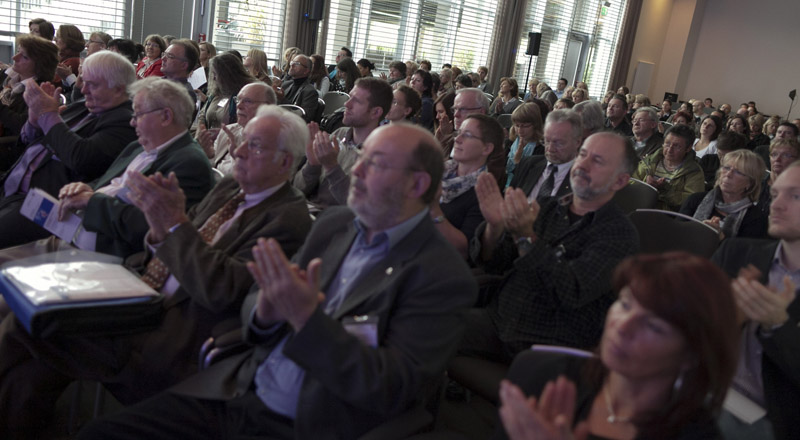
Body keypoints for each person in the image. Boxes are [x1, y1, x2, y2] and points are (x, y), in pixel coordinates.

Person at [77, 123, 478, 440]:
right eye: (362, 158)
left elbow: (389, 386)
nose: (355, 170)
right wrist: (266, 311)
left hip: (308, 422)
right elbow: (256, 303)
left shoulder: (441, 276)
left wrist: (306, 318)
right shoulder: (336, 226)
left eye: (375, 164)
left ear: (417, 184)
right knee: (99, 433)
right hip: (241, 393)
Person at [0, 106, 313, 438]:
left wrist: (174, 224)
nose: (237, 150)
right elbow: (173, 239)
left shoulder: (287, 221)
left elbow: (223, 290)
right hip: (140, 295)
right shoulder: (230, 189)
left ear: (285, 162)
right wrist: (159, 223)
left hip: (170, 333)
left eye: (255, 146)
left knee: (31, 322)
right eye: (244, 141)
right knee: (30, 367)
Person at [498, 252, 738, 440]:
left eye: (654, 326)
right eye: (624, 304)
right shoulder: (540, 373)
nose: (622, 327)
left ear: (692, 355)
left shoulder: (697, 435)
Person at [462, 131, 639, 362]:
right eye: (582, 154)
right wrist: (495, 227)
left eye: (597, 160)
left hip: (548, 341)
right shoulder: (547, 207)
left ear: (620, 181)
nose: (582, 165)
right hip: (500, 318)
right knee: (419, 321)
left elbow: (570, 290)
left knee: (426, 337)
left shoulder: (619, 235)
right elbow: (494, 263)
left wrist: (526, 237)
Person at [55, 77, 215, 258]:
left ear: (166, 116)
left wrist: (91, 201)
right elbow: (107, 182)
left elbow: (147, 226)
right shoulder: (137, 147)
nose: (132, 122)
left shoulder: (188, 164)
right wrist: (85, 189)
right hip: (72, 235)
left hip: (108, 258)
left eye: (138, 115)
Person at [0, 51, 138, 249]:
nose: (82, 89)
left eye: (93, 84)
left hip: (45, 204)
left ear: (119, 89)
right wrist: (33, 121)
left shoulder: (125, 121)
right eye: (84, 81)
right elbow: (27, 144)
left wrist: (48, 115)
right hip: (13, 185)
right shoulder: (82, 106)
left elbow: (82, 159)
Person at [712, 160, 800, 440]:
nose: (776, 205)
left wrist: (778, 326)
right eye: (775, 194)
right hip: (707, 388)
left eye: (795, 196)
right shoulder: (737, 252)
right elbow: (684, 319)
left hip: (771, 418)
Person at [294, 77, 392, 212]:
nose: (347, 104)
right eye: (349, 97)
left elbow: (359, 206)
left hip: (336, 222)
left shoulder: (382, 154)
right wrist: (312, 164)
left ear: (375, 112)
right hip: (307, 211)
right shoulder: (339, 134)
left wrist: (331, 166)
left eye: (356, 101)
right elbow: (298, 190)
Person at [431, 114, 503, 257]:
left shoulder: (484, 193)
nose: (457, 139)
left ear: (486, 148)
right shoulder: (438, 171)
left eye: (468, 135)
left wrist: (432, 209)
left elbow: (465, 250)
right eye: (458, 133)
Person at [681, 149, 768, 239]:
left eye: (738, 172)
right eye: (726, 168)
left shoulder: (756, 218)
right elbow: (676, 235)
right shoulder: (695, 200)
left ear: (750, 183)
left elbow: (745, 251)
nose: (728, 174)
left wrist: (720, 237)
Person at [198, 82, 277, 175]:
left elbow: (262, 181)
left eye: (247, 101)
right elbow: (213, 167)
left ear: (267, 106)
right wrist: (209, 154)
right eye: (238, 100)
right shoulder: (228, 130)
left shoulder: (274, 140)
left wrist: (237, 158)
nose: (239, 106)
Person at [508, 110, 581, 203]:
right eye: (546, 141)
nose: (550, 149)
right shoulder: (528, 164)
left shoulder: (583, 179)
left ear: (577, 142)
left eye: (559, 143)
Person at [0, 35, 58, 144]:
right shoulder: (9, 78)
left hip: (10, 145)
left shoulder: (40, 91)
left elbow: (22, 125)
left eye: (24, 57)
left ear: (41, 65)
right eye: (18, 51)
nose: (14, 57)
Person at [632, 124, 704, 211]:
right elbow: (631, 182)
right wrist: (646, 185)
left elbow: (691, 202)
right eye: (667, 143)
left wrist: (665, 190)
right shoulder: (651, 161)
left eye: (677, 146)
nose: (669, 150)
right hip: (639, 207)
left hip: (668, 217)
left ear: (688, 148)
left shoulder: (693, 171)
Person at [199, 53, 254, 130]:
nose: (214, 78)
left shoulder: (245, 95)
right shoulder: (216, 93)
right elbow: (202, 115)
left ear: (227, 74)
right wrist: (201, 130)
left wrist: (222, 134)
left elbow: (247, 125)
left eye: (216, 74)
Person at [505, 103, 543, 187]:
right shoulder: (509, 143)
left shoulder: (540, 150)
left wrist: (518, 162)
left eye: (525, 126)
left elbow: (531, 180)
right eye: (517, 126)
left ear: (535, 126)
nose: (520, 130)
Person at [275, 54, 320, 122]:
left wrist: (282, 99)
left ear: (306, 71)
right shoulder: (286, 84)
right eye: (292, 62)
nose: (292, 65)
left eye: (297, 64)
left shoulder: (310, 92)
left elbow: (305, 117)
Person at [160, 39, 200, 107]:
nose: (163, 58)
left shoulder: (184, 94)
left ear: (184, 65)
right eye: (164, 54)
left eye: (170, 56)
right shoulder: (158, 81)